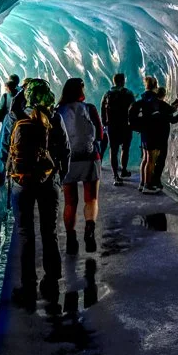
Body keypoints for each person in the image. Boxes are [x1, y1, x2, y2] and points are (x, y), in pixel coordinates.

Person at [7, 79, 69, 304]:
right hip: (48, 181)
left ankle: (28, 287)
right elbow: (65, 150)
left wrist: (1, 174)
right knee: (49, 232)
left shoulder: (16, 117)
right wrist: (59, 177)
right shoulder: (54, 118)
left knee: (25, 234)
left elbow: (6, 148)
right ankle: (51, 282)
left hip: (21, 183)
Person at [55, 78, 103, 254]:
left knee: (70, 202)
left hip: (68, 160)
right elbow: (100, 134)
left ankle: (71, 239)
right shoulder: (89, 108)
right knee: (91, 198)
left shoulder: (58, 111)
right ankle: (89, 233)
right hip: (90, 157)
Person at [147, 86, 178, 192]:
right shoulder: (164, 106)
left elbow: (165, 112)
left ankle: (147, 182)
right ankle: (155, 182)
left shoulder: (152, 104)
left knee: (151, 160)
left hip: (151, 135)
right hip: (161, 137)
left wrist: (173, 106)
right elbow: (174, 119)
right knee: (160, 160)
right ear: (164, 95)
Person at [100, 73, 135, 186]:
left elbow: (102, 108)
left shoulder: (107, 94)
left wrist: (104, 122)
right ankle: (124, 170)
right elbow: (134, 108)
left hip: (112, 126)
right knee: (125, 148)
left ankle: (116, 175)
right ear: (123, 81)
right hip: (126, 125)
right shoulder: (128, 93)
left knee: (113, 150)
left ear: (113, 81)